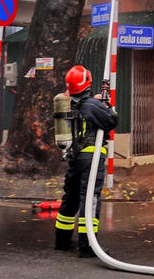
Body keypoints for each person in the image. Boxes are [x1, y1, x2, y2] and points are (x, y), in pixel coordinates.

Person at [55, 65, 118, 258]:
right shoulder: (92, 105)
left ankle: (62, 241)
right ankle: (87, 245)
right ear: (87, 82)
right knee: (89, 199)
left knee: (71, 198)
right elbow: (112, 121)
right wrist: (107, 107)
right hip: (91, 158)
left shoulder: (68, 104)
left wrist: (98, 102)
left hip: (74, 158)